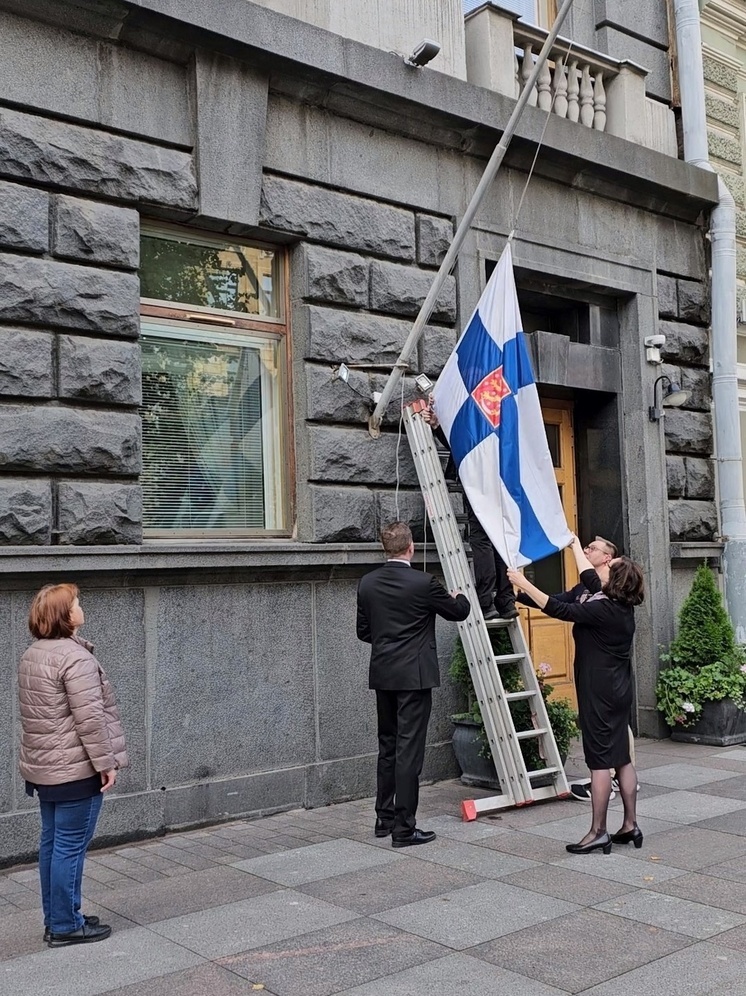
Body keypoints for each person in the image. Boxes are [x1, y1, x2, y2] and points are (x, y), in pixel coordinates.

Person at [507, 537, 644, 855]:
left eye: (613, 566)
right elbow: (589, 579)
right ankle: (630, 825)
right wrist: (574, 543)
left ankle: (598, 831)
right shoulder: (621, 606)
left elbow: (559, 609)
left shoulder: (601, 609)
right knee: (621, 757)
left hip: (599, 692)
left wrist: (522, 580)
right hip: (619, 689)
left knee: (599, 762)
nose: (607, 567)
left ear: (616, 580)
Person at [19, 584, 129, 947]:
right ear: (64, 615)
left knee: (53, 844)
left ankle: (61, 917)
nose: (81, 607)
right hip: (74, 770)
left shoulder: (34, 653)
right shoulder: (75, 658)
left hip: (46, 769)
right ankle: (66, 926)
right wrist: (106, 763)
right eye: (76, 603)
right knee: (69, 846)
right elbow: (90, 720)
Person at [357, 521, 471, 847]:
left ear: (385, 548)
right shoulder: (423, 582)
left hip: (383, 673)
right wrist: (459, 593)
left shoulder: (367, 583)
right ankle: (404, 829)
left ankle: (384, 817)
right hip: (414, 676)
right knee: (409, 751)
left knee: (388, 745)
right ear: (411, 548)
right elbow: (459, 611)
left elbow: (364, 632)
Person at [423, 399, 517, 621]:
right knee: (500, 539)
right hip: (505, 479)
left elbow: (463, 442)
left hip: (479, 479)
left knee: (482, 540)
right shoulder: (502, 406)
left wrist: (437, 425)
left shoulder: (473, 404)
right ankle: (505, 600)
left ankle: (487, 601)